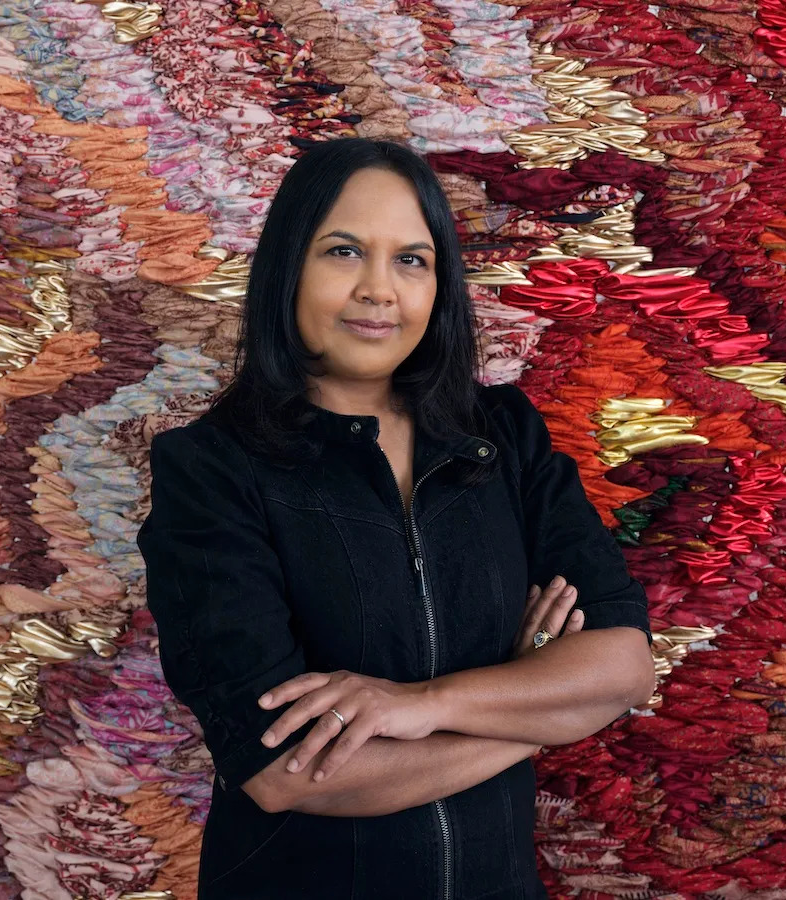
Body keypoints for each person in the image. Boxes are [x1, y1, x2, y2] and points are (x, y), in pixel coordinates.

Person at [136, 137, 655, 899]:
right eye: (344, 252)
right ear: (288, 268)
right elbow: (286, 772)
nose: (381, 290)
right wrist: (540, 704)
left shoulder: (504, 435)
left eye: (411, 260)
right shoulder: (213, 470)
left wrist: (420, 708)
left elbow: (623, 666)